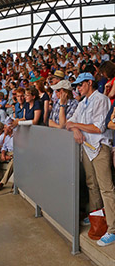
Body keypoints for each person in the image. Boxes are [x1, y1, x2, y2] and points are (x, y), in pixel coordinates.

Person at [66, 73, 115, 246]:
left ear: (89, 83)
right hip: (87, 149)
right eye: (77, 85)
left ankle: (113, 229)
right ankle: (97, 217)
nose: (78, 88)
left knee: (106, 188)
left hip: (100, 147)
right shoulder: (82, 103)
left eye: (80, 84)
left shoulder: (100, 99)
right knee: (92, 184)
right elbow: (68, 122)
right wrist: (75, 129)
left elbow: (98, 127)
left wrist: (76, 126)